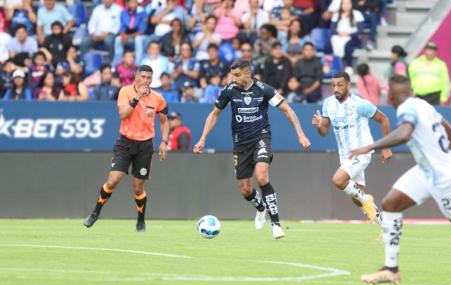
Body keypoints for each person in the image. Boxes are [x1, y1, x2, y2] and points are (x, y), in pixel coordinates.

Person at [349, 75, 451, 285]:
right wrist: (440, 160)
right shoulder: (422, 104)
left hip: (447, 178)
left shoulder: (406, 108)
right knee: (390, 204)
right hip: (427, 172)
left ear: (393, 97)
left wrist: (370, 146)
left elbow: (405, 134)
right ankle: (391, 268)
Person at [193, 59, 311, 239]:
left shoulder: (264, 89)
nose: (234, 78)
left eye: (237, 75)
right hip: (240, 144)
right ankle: (261, 208)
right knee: (245, 190)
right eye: (232, 75)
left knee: (262, 176)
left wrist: (301, 135)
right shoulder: (229, 90)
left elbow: (288, 110)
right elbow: (215, 113)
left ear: (248, 73)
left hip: (261, 139)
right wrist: (202, 139)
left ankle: (276, 224)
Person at [83, 65, 169, 232]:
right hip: (125, 143)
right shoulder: (125, 92)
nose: (146, 80)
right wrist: (137, 97)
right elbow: (123, 114)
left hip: (145, 146)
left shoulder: (158, 98)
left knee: (138, 188)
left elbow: (165, 121)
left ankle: (140, 221)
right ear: (136, 77)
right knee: (112, 181)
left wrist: (164, 141)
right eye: (143, 77)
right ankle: (95, 213)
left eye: (149, 78)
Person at [312, 71, 390, 223]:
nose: (336, 89)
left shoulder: (360, 104)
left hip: (362, 152)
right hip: (345, 156)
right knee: (357, 199)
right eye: (333, 85)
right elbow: (324, 131)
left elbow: (384, 119)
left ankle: (367, 201)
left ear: (348, 85)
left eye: (340, 85)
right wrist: (319, 125)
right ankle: (385, 226)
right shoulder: (328, 103)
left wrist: (386, 147)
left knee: (338, 180)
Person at [330, 0, 364, 70]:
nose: (346, 5)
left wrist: (348, 34)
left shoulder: (357, 14)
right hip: (339, 36)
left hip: (352, 37)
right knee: (332, 41)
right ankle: (336, 65)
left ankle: (349, 66)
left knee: (347, 46)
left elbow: (360, 30)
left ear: (351, 4)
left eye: (348, 3)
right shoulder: (336, 15)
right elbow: (332, 29)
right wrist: (339, 33)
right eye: (344, 3)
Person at [113, 0, 148, 65]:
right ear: (127, 3)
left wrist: (128, 36)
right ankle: (116, 64)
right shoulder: (123, 12)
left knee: (138, 39)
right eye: (132, 2)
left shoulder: (142, 12)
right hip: (129, 37)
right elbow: (122, 27)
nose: (134, 5)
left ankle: (138, 64)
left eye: (135, 3)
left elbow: (141, 31)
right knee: (118, 39)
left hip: (142, 37)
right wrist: (123, 35)